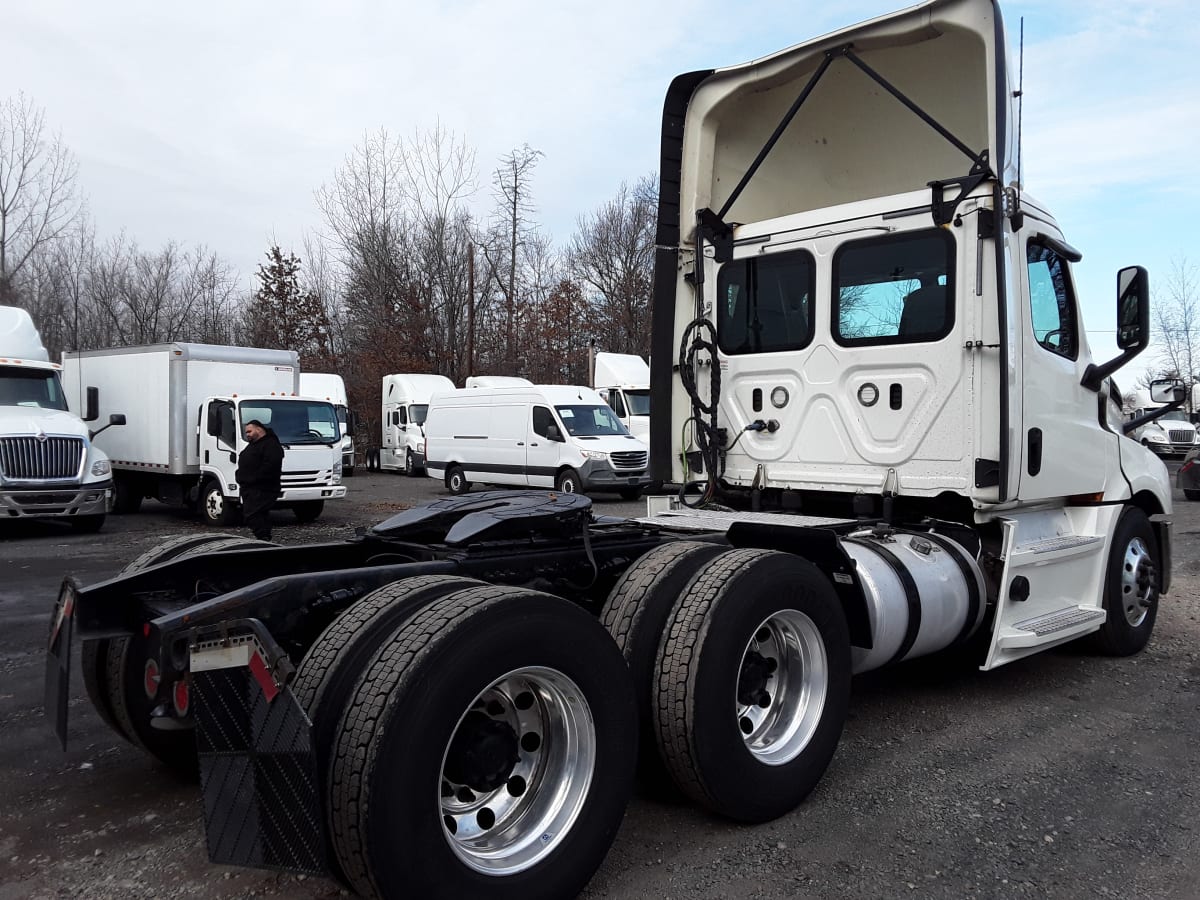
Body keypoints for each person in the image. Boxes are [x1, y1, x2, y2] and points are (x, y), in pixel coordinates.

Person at [236, 418, 284, 541]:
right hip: (250, 487)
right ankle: (264, 538)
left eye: (249, 431)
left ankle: (263, 537)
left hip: (263, 488)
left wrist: (253, 478)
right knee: (258, 514)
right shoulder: (254, 445)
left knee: (252, 514)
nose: (247, 435)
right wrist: (240, 475)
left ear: (259, 429)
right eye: (246, 432)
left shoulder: (271, 444)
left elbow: (271, 465)